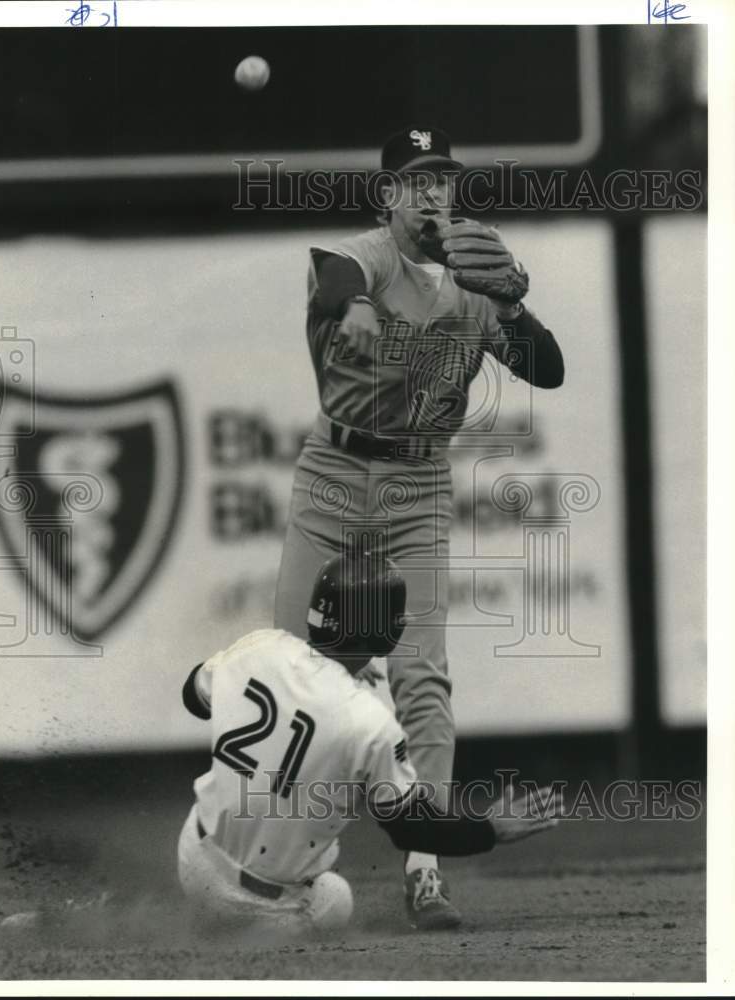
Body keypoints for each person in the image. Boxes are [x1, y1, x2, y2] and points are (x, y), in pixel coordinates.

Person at [273, 126, 565, 927]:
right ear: (388, 197)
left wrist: (513, 302)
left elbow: (548, 368)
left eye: (443, 180)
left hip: (417, 481)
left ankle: (426, 870)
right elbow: (333, 278)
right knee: (287, 667)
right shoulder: (367, 254)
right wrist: (357, 306)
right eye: (415, 182)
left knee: (422, 675)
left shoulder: (476, 272)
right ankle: (258, 859)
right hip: (334, 473)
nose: (433, 194)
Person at [179, 550, 562, 933]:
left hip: (193, 860)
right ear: (380, 632)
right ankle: (238, 920)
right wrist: (489, 829)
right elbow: (412, 830)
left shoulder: (260, 646)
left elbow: (194, 697)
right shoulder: (370, 721)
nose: (403, 619)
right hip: (264, 909)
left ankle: (208, 909)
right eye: (395, 614)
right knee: (335, 896)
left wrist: (313, 683)